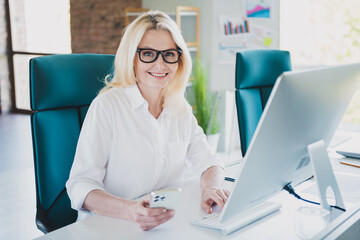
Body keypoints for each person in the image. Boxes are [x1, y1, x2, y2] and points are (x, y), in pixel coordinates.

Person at [66, 10, 228, 231]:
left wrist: (212, 187)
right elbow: (80, 186)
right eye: (148, 54)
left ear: (179, 59)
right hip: (109, 226)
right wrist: (131, 210)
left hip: (162, 225)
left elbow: (209, 162)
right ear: (132, 58)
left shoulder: (179, 109)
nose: (160, 65)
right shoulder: (107, 106)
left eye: (169, 54)